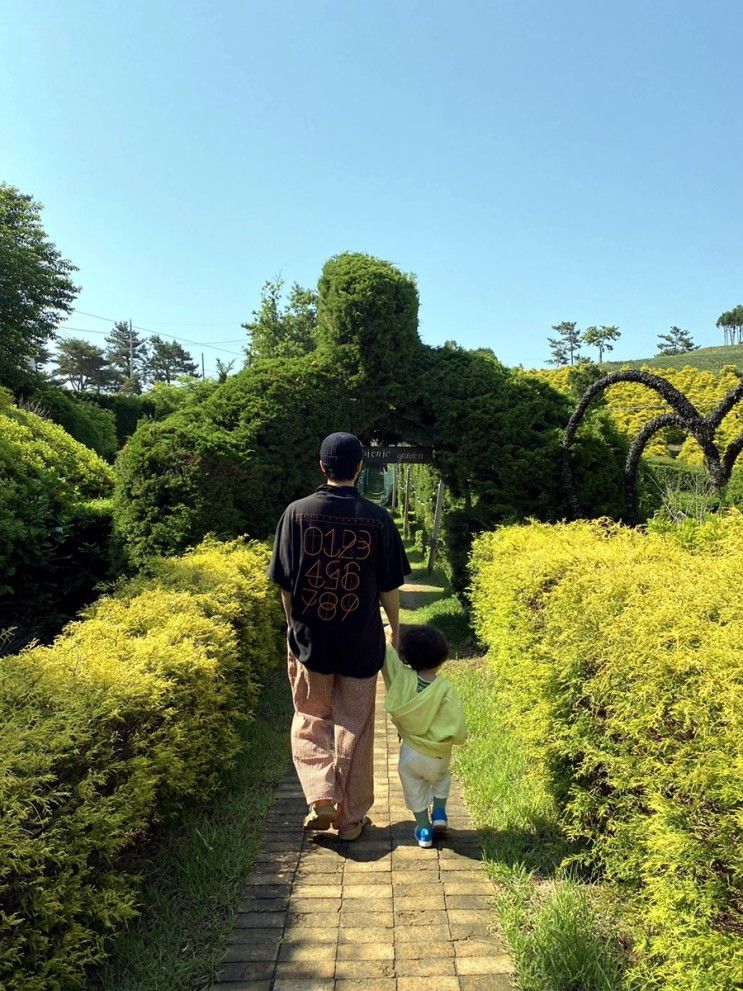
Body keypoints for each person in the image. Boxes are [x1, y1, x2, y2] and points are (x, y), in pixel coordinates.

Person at [268, 432, 410, 841]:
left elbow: (285, 584)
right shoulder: (377, 519)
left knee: (310, 719)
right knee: (356, 727)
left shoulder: (295, 514)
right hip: (361, 644)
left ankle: (321, 797)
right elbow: (388, 588)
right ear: (360, 469)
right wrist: (395, 632)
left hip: (311, 642)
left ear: (322, 466)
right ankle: (351, 822)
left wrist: (293, 625)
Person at [382, 625, 467, 848]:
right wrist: (456, 738)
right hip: (437, 753)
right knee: (441, 779)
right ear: (442, 658)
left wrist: (387, 640)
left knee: (414, 788)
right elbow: (455, 722)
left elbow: (388, 660)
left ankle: (424, 830)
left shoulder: (401, 678)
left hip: (410, 752)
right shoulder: (445, 688)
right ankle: (439, 812)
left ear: (408, 657)